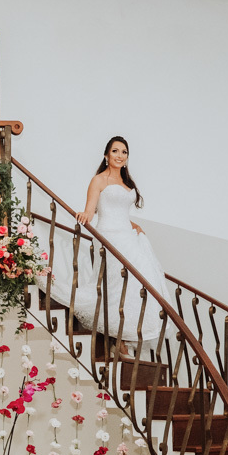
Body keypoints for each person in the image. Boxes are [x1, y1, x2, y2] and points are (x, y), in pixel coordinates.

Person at [68, 135, 171, 355]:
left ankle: (125, 336)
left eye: (124, 152)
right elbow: (91, 210)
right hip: (109, 236)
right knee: (116, 285)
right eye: (115, 151)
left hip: (127, 235)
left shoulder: (127, 183)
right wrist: (82, 215)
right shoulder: (99, 180)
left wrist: (134, 225)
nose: (120, 155)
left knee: (138, 281)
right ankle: (119, 338)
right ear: (106, 155)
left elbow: (121, 211)